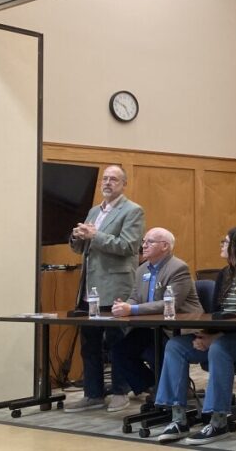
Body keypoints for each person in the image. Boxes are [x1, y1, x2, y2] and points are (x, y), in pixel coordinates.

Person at [153, 226, 236, 445]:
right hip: (227, 334)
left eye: (226, 241)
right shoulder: (225, 273)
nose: (222, 244)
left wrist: (216, 337)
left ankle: (219, 421)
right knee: (175, 346)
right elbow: (215, 312)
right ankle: (179, 419)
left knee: (220, 348)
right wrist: (206, 333)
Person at [65, 164, 145, 413]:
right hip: (90, 287)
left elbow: (128, 246)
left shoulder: (132, 211)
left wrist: (95, 235)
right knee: (89, 342)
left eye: (113, 179)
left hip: (116, 285)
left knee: (116, 341)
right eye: (105, 179)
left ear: (124, 184)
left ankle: (121, 392)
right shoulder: (93, 211)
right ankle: (93, 394)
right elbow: (83, 248)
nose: (107, 183)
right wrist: (78, 237)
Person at [108, 227, 203, 412]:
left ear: (165, 246)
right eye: (144, 241)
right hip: (152, 328)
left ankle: (167, 395)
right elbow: (135, 297)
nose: (143, 245)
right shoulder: (141, 269)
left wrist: (132, 309)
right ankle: (156, 388)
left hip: (178, 329)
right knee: (119, 350)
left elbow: (169, 304)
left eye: (149, 241)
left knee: (161, 350)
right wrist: (123, 307)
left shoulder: (178, 268)